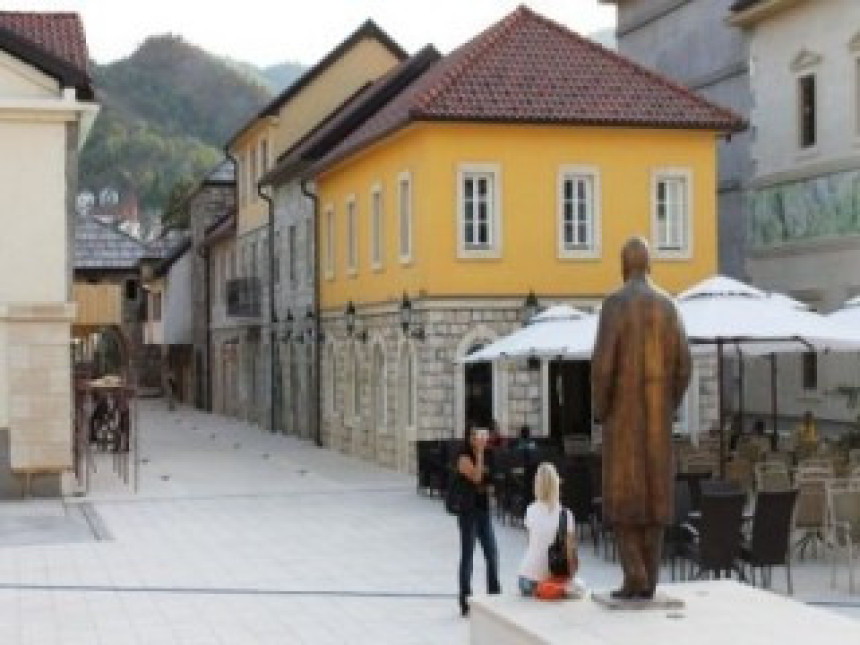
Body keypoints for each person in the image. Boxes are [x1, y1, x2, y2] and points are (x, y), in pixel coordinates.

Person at [591, 236, 691, 601]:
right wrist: (668, 404)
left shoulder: (614, 306)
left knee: (624, 501)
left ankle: (635, 575)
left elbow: (602, 367)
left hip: (623, 422)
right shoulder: (669, 307)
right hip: (657, 424)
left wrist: (602, 409)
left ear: (623, 265)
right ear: (649, 265)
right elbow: (684, 365)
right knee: (655, 501)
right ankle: (648, 578)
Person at [456, 424, 501, 616]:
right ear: (470, 439)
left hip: (483, 511)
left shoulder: (488, 454)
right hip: (468, 513)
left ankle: (494, 594)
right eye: (477, 436)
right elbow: (476, 477)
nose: (481, 439)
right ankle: (465, 599)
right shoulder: (463, 457)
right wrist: (480, 454)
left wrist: (492, 488)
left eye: (483, 435)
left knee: (492, 554)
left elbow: (489, 479)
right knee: (468, 557)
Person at [518, 463, 579, 596]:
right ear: (556, 484)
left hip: (525, 579)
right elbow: (569, 554)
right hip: (549, 582)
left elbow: (531, 544)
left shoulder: (530, 510)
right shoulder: (566, 514)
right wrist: (571, 578)